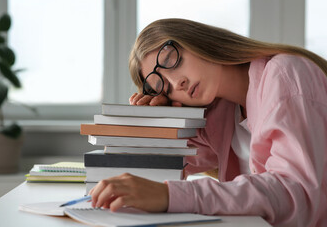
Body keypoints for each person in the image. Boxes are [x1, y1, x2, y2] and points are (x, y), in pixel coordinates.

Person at [89, 18, 327, 227]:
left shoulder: (284, 74)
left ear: (198, 41)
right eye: (163, 85)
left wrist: (171, 196)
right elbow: (153, 176)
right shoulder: (220, 115)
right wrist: (159, 125)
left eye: (173, 60)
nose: (177, 83)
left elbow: (297, 195)